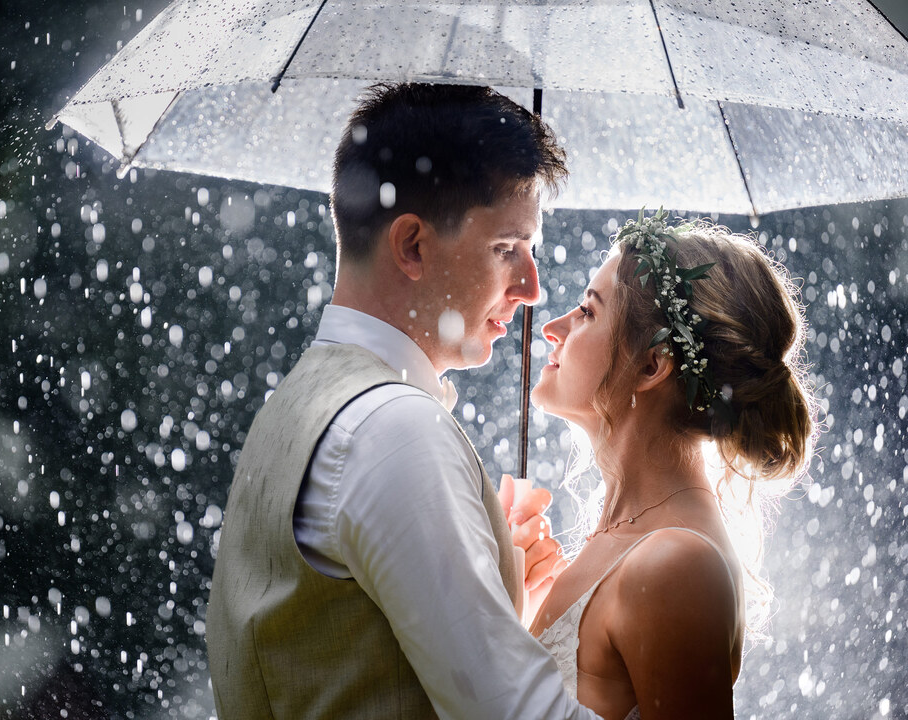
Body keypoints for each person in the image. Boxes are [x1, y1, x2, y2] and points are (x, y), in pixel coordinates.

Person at [207, 83, 599, 719]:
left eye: (531, 251)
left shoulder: (299, 405)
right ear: (412, 245)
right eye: (507, 249)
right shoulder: (396, 432)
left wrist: (496, 604)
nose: (530, 287)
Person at [527, 210, 818, 719]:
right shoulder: (630, 538)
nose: (553, 328)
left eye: (586, 312)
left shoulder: (674, 566)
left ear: (651, 365)